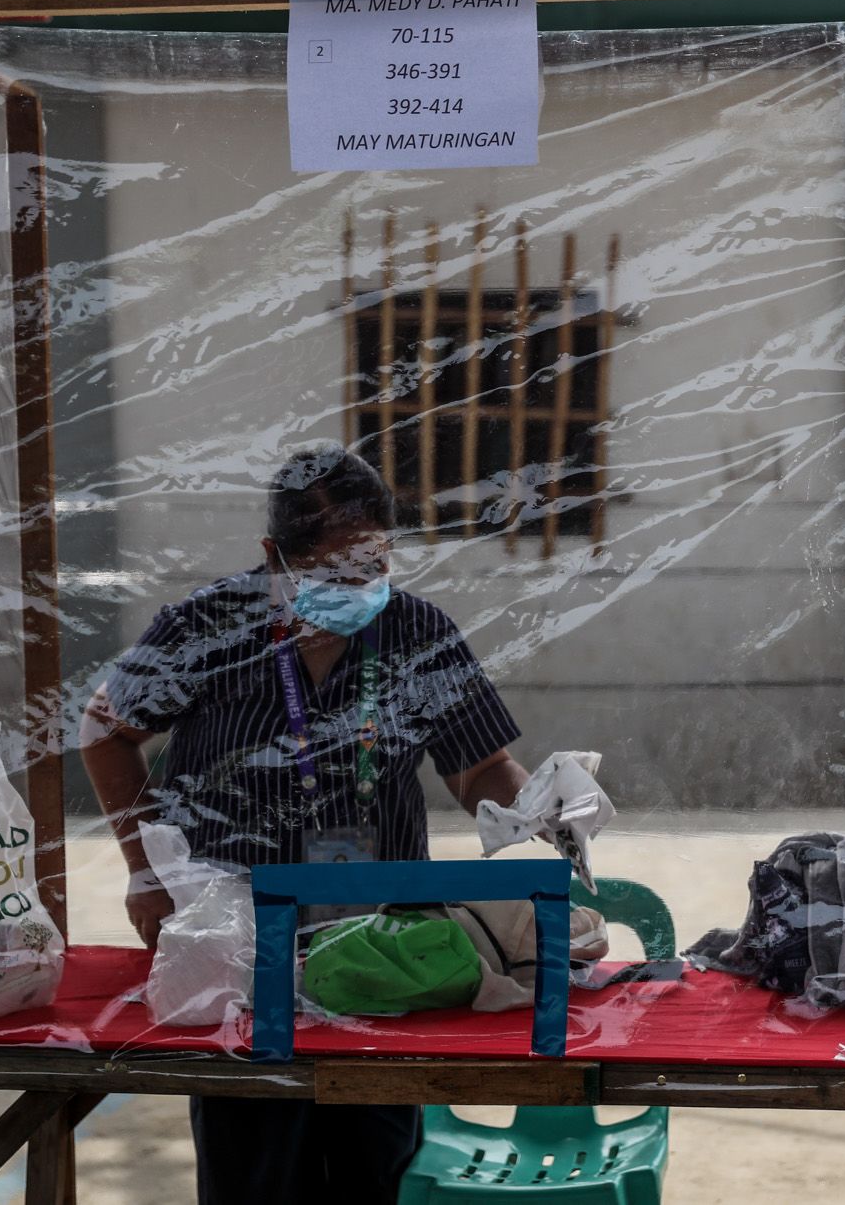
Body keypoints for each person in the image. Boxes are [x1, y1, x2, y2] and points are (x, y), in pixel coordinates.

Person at [80, 445, 532, 1205]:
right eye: (331, 571)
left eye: (374, 562)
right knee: (254, 1163)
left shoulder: (416, 632)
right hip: (240, 937)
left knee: (376, 1159)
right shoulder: (206, 625)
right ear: (273, 557)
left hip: (381, 939)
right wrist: (145, 868)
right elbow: (104, 732)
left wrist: (538, 801)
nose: (357, 587)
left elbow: (479, 767)